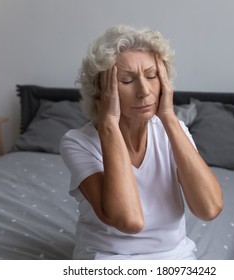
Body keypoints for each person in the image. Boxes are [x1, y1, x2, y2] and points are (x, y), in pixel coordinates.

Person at [60, 25, 223, 260]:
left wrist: (168, 117)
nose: (144, 91)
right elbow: (130, 221)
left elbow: (209, 209)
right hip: (108, 257)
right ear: (101, 92)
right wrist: (109, 125)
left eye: (151, 76)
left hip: (174, 257)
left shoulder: (174, 132)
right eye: (126, 81)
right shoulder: (77, 143)